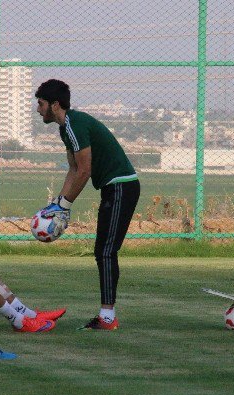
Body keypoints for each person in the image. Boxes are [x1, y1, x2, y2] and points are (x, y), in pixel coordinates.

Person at [35, 79, 140, 330]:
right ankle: (106, 316)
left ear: (55, 104)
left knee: (105, 251)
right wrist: (58, 204)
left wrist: (66, 206)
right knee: (103, 251)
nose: (37, 109)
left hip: (122, 186)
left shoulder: (74, 124)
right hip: (113, 188)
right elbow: (73, 168)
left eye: (40, 103)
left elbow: (85, 170)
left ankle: (107, 318)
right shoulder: (66, 128)